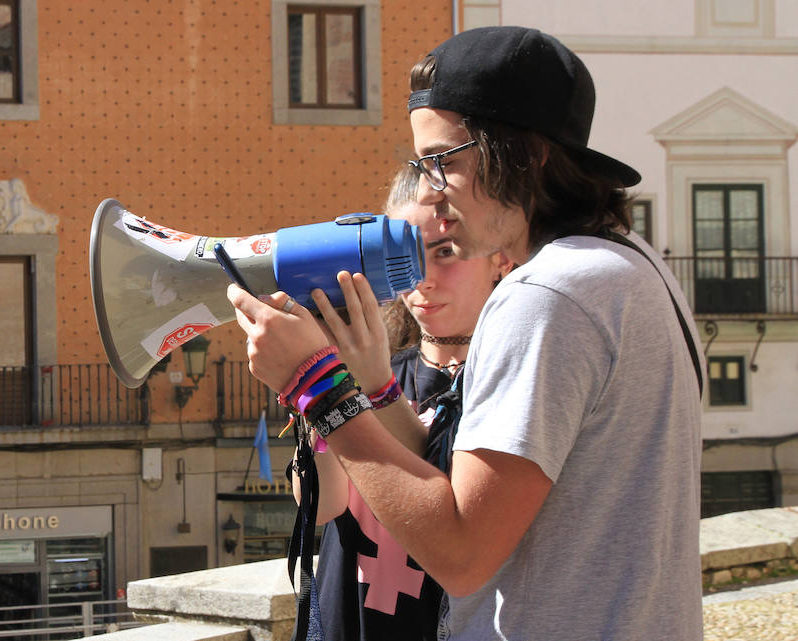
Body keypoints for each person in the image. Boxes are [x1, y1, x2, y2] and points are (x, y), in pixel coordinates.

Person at [230, 26, 704, 641]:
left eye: (444, 161)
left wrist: (315, 384)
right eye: (420, 165)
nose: (430, 191)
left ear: (526, 155)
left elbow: (460, 556)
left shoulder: (544, 295)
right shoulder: (636, 264)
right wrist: (368, 387)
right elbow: (466, 490)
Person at [304, 164, 511, 641]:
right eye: (402, 257)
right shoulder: (381, 366)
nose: (422, 278)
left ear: (498, 256)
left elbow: (456, 505)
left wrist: (372, 388)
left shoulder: (511, 378)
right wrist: (318, 384)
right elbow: (319, 506)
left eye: (444, 252)